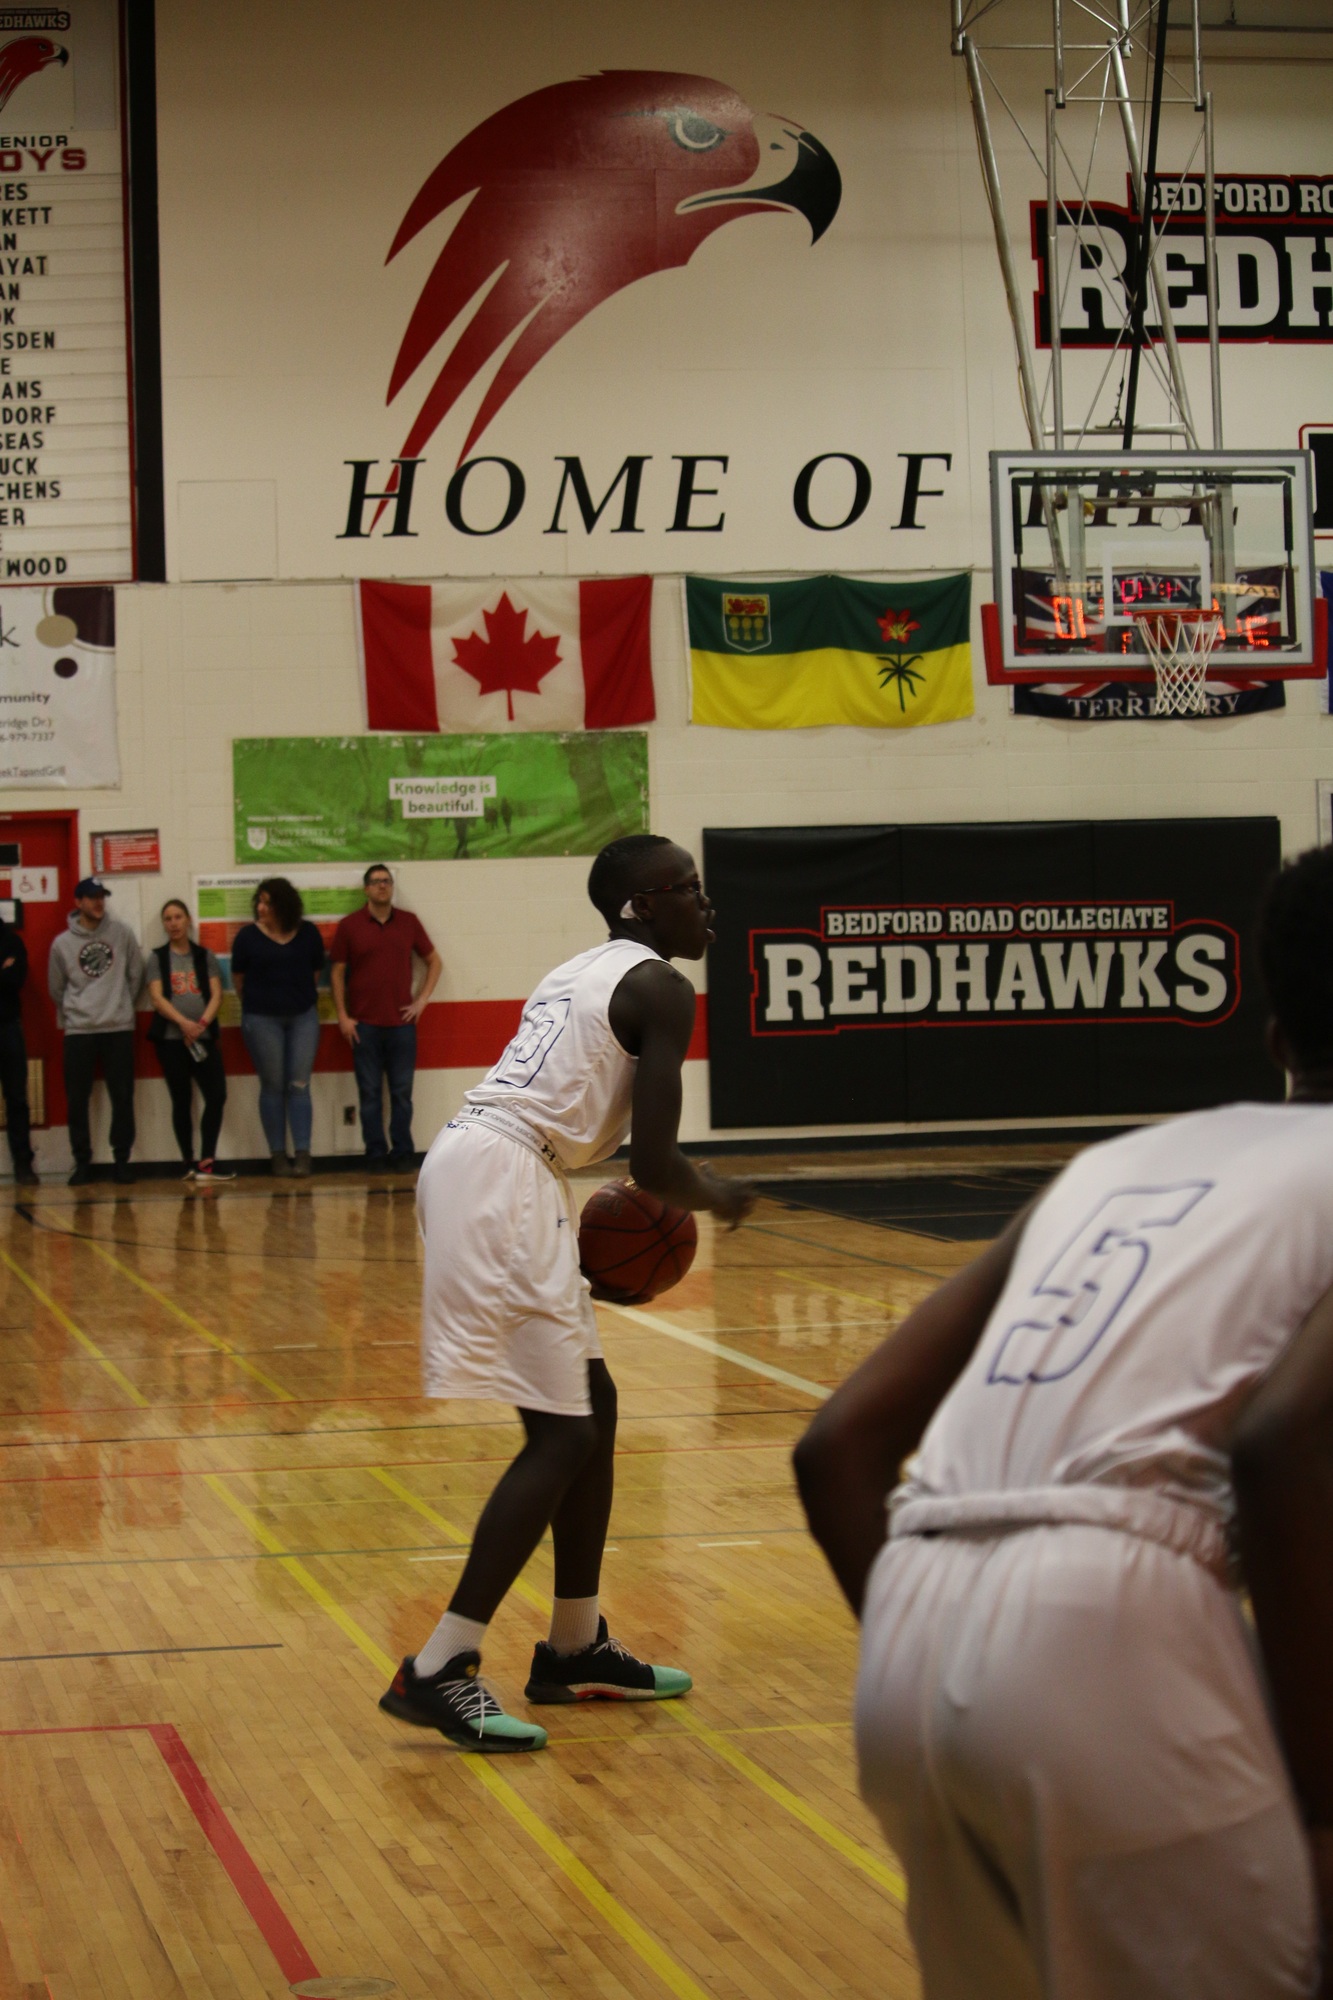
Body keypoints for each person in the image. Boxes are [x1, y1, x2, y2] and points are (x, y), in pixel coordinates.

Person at [793, 843, 1333, 2000]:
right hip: (1113, 1634)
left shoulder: (1113, 1163)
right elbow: (1282, 1446)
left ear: (1275, 1034)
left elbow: (836, 1445)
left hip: (914, 1632)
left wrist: (963, 1682)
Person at [379, 832, 756, 1752]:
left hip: (492, 1167)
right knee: (563, 1434)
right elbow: (656, 1168)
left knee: (595, 1405)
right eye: (688, 888)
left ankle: (575, 1647)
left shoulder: (579, 970)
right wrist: (721, 1196)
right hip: (504, 1174)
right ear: (642, 906)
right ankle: (438, 1667)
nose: (704, 902)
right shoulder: (661, 988)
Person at [330, 863, 441, 1170]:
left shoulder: (409, 922)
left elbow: (434, 962)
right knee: (369, 1094)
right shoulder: (350, 926)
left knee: (402, 1094)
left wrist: (421, 1000)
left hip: (402, 1026)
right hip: (363, 1026)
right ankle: (375, 1153)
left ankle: (403, 1152)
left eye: (387, 881)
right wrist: (343, 1015)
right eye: (376, 881)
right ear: (366, 889)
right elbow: (336, 972)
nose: (382, 886)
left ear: (392, 887)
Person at [48, 877, 144, 1187]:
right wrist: (78, 1013)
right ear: (78, 903)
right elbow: (56, 988)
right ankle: (82, 1162)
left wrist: (119, 1006)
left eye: (102, 896)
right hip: (79, 1031)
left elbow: (136, 976)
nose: (98, 902)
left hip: (117, 1028)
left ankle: (121, 1161)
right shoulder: (62, 944)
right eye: (91, 897)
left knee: (122, 1096)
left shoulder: (122, 933)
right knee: (77, 1100)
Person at [230, 877, 325, 1177]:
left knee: (300, 1084)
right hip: (261, 1018)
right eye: (259, 901)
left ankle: (303, 1154)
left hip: (303, 1017)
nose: (261, 908)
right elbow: (239, 980)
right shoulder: (247, 937)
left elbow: (315, 972)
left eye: (267, 903)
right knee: (272, 1085)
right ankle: (277, 1155)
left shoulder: (308, 933)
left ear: (284, 905)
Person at [147, 899, 233, 1184]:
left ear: (188, 921)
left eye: (178, 917)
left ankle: (207, 1161)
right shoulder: (158, 958)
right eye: (168, 918)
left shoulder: (204, 956)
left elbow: (216, 994)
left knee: (217, 1095)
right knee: (181, 1099)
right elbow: (157, 998)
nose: (173, 923)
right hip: (171, 1040)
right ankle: (187, 1161)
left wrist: (200, 1025)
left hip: (203, 1038)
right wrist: (183, 1024)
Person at [0, 907, 35, 1185]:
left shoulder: (11, 940)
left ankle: (23, 1164)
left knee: (17, 1097)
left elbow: (15, 979)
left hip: (8, 1026)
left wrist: (7, 973)